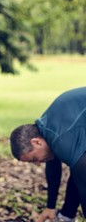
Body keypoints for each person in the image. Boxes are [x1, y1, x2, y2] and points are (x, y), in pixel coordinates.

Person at [10, 87, 86, 218]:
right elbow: (54, 170)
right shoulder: (47, 130)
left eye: (34, 159)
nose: (38, 164)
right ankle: (66, 216)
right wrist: (51, 207)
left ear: (36, 142)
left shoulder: (61, 140)